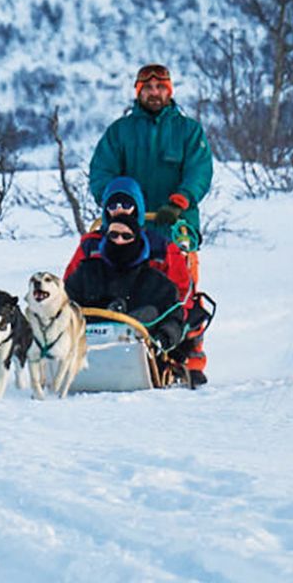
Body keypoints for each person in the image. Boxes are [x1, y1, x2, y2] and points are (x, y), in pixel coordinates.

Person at [87, 64, 214, 385]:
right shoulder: (120, 132)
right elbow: (101, 172)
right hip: (130, 228)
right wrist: (116, 206)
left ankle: (191, 359)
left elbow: (200, 172)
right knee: (121, 287)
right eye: (148, 88)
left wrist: (180, 201)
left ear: (169, 91)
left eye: (160, 88)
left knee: (183, 292)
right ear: (138, 91)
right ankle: (114, 348)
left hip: (175, 226)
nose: (154, 93)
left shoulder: (188, 131)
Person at [63, 211, 185, 354]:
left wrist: (161, 340)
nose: (118, 241)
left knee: (149, 312)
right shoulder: (86, 273)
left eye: (126, 236)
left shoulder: (157, 283)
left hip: (139, 358)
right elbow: (63, 304)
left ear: (137, 240)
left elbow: (173, 318)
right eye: (113, 235)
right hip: (84, 351)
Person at [64, 176, 192, 301]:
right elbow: (67, 290)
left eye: (126, 205)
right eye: (113, 206)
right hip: (95, 311)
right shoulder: (91, 245)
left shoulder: (161, 248)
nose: (120, 210)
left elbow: (181, 293)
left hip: (146, 315)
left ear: (137, 207)